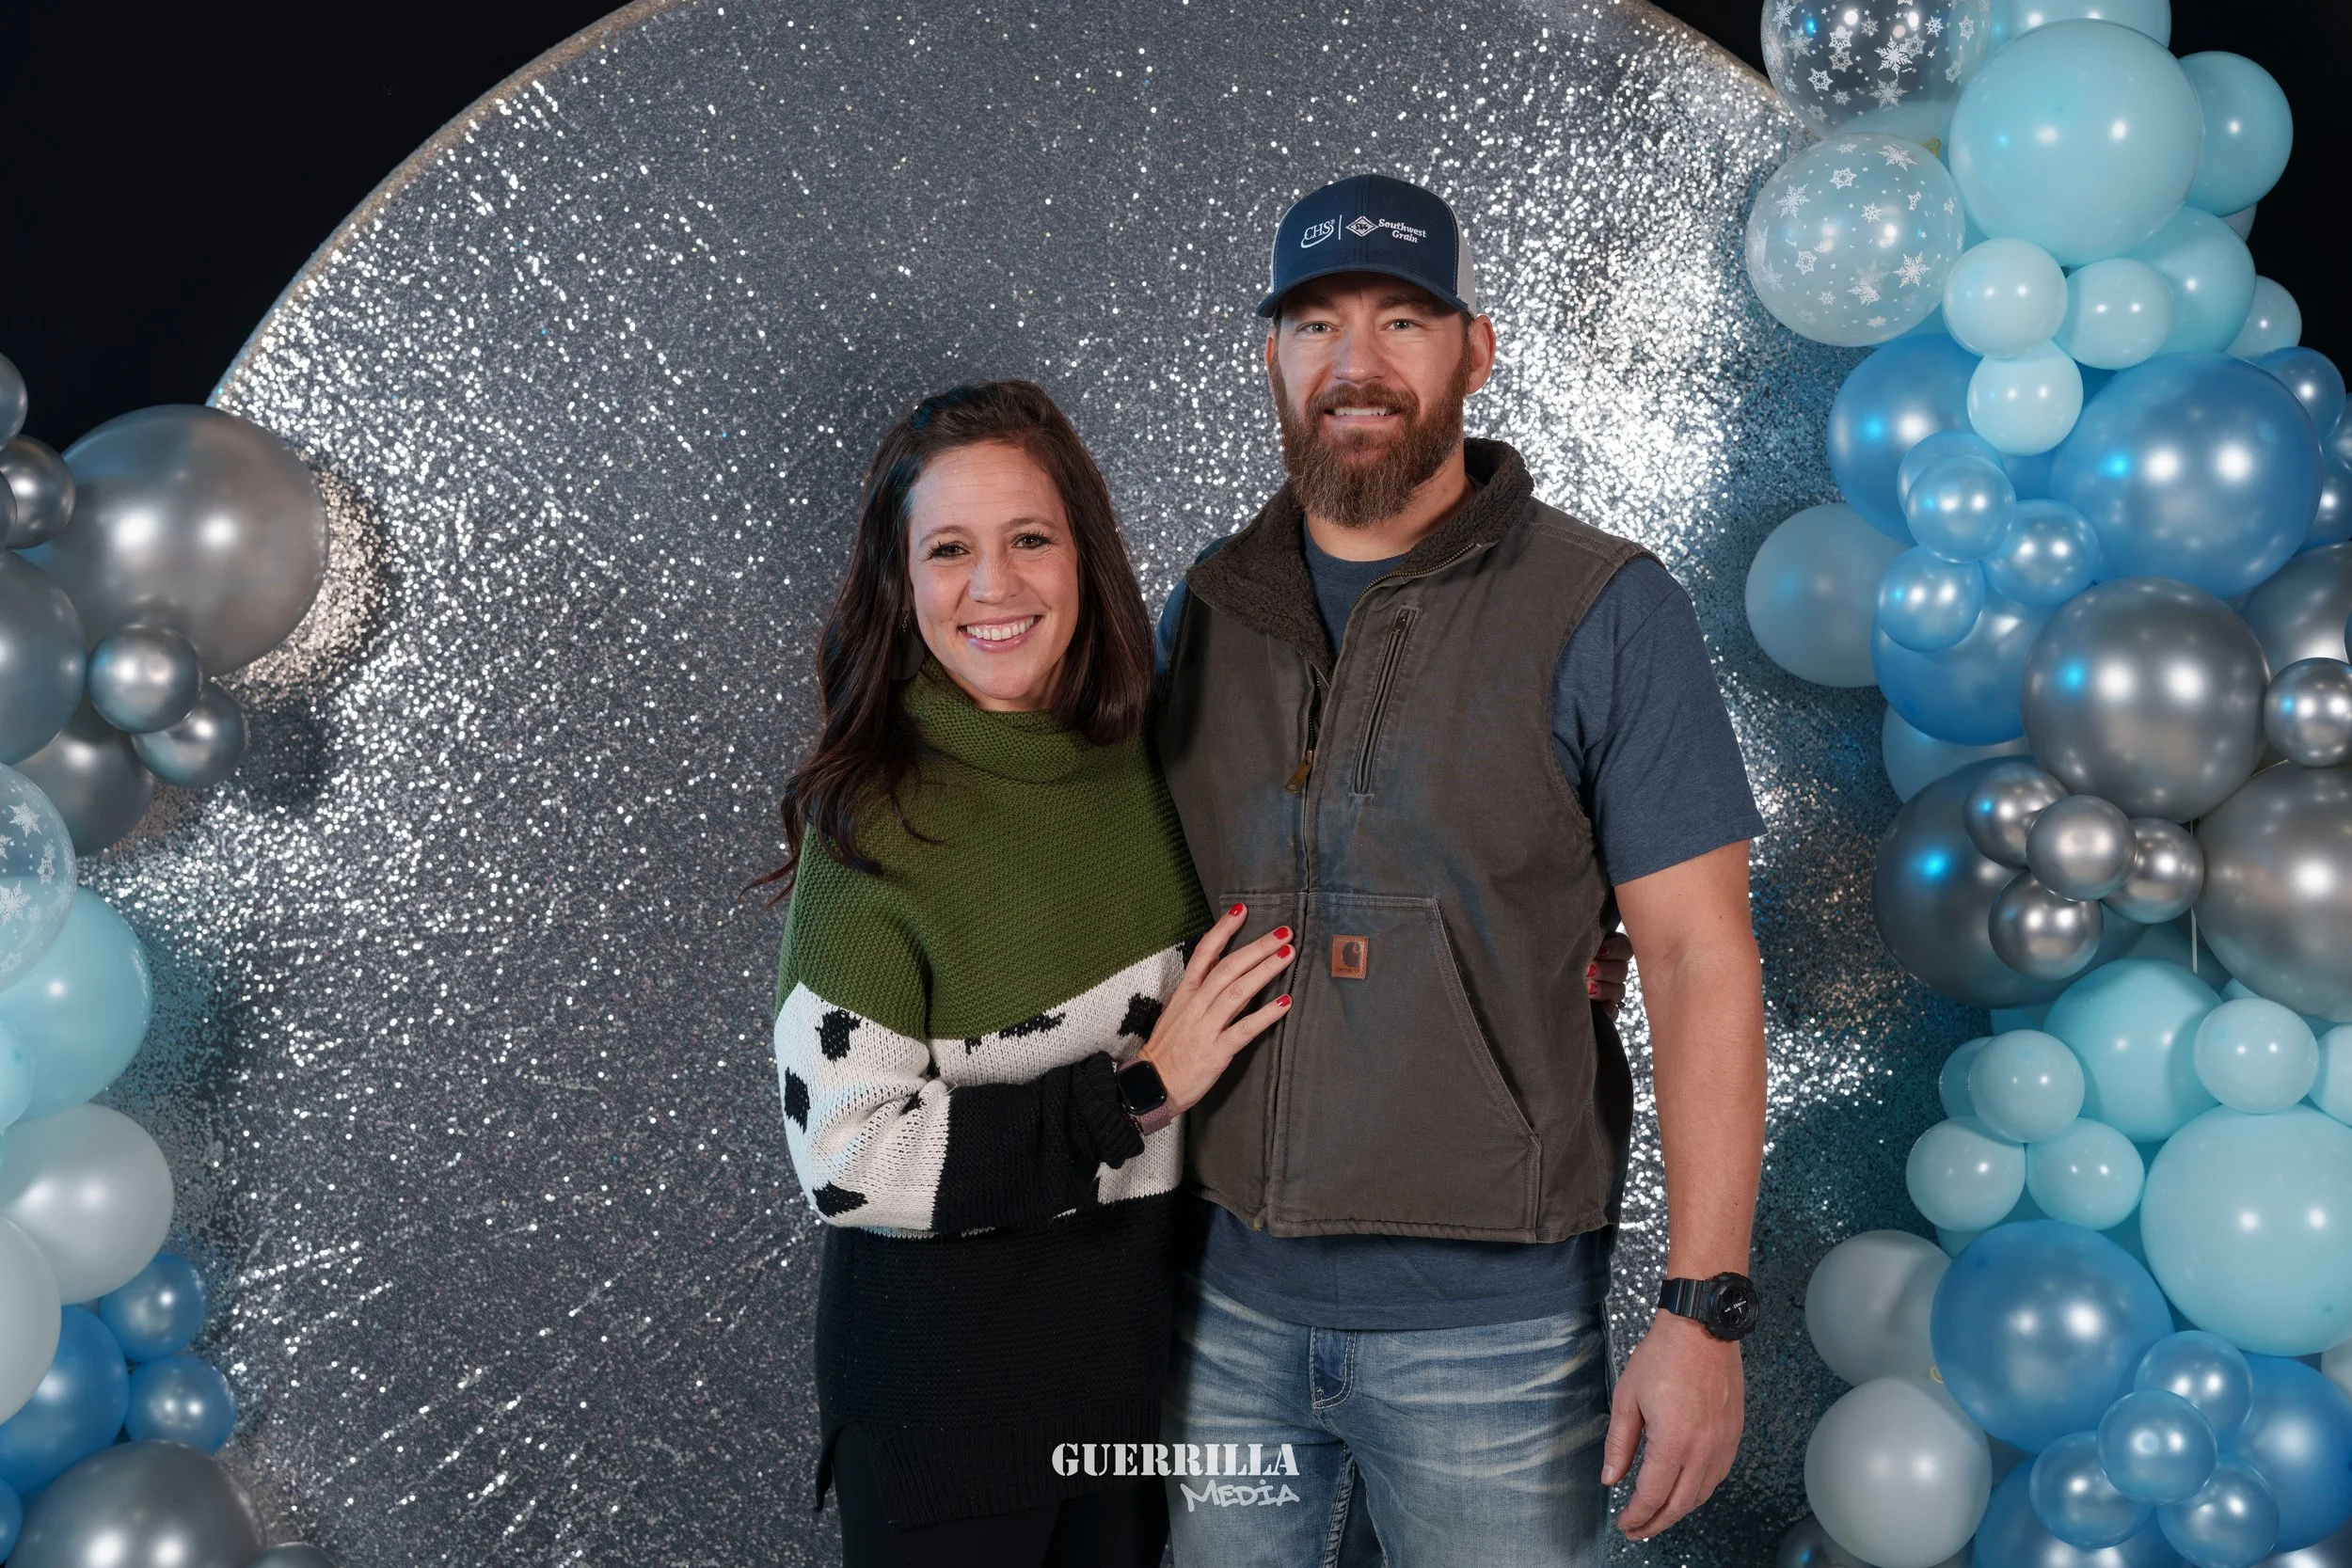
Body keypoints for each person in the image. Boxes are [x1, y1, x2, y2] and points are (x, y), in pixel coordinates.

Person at [1152, 173, 1770, 1564]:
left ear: (1474, 351)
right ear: (1272, 358)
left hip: (1493, 1340)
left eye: (1401, 320)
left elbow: (1696, 958)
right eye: (1314, 323)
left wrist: (1703, 1308)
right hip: (1216, 1304)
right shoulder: (1207, 607)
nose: (1354, 362)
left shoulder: (1606, 607)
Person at [756, 380, 1301, 1567]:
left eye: (1029, 539)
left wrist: (1548, 941)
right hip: (947, 1417)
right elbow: (847, 1160)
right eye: (949, 549)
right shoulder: (877, 824)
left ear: (1084, 554)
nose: (993, 584)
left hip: (1130, 1395)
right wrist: (1138, 1088)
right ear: (902, 581)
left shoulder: (1158, 764)